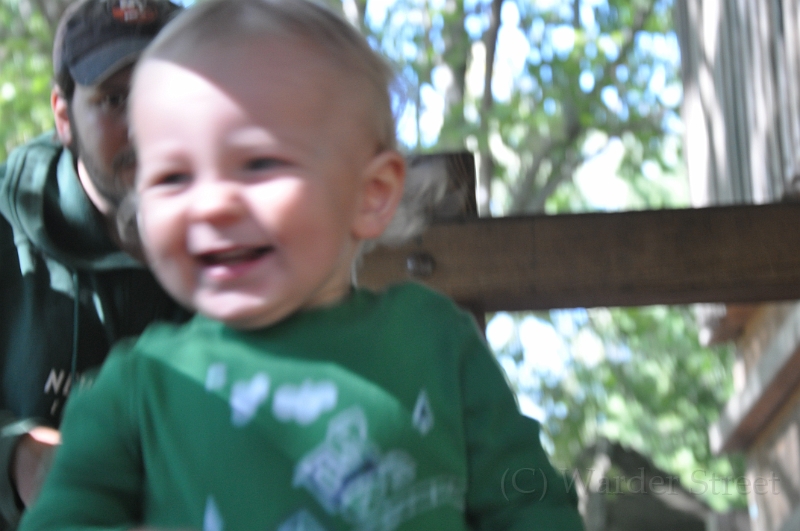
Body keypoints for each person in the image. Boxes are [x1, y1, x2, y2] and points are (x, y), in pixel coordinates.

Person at [20, 0, 585, 530]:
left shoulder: (435, 344)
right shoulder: (133, 391)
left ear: (371, 193)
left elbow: (533, 505)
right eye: (172, 176)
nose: (211, 204)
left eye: (258, 163)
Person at [0, 0, 186, 527]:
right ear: (64, 117)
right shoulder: (7, 229)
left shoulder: (239, 240)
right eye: (115, 99)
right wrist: (17, 457)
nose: (144, 127)